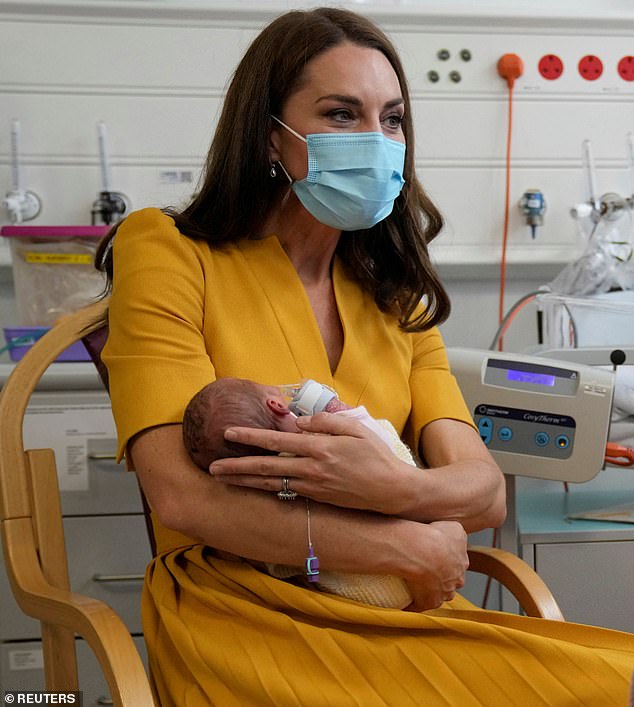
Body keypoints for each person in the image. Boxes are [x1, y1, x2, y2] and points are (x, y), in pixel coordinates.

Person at [97, 7, 634, 706]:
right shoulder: (169, 251)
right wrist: (398, 545)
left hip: (404, 610)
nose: (377, 141)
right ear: (270, 135)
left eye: (393, 119)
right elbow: (182, 495)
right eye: (342, 115)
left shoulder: (395, 290)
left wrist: (387, 489)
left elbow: (482, 491)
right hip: (246, 610)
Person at [182, 376, 416, 609]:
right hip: (408, 562)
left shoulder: (257, 491)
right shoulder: (329, 439)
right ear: (277, 405)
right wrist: (338, 411)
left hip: (361, 596)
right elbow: (383, 448)